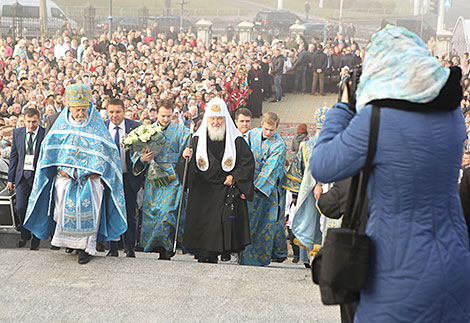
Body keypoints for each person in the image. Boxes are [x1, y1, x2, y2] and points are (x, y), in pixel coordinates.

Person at [309, 26, 470, 322]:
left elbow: (322, 164)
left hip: (396, 268)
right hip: (455, 257)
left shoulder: (377, 119)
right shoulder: (452, 115)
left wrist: (344, 108)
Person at [24, 84, 127, 265]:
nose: (81, 112)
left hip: (91, 181)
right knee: (64, 208)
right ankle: (70, 244)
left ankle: (86, 248)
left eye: (84, 109)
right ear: (69, 107)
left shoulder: (97, 128)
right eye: (77, 109)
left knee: (90, 210)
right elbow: (48, 154)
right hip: (65, 180)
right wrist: (59, 169)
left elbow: (109, 155)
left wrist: (98, 170)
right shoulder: (59, 128)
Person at [183, 98, 255, 263]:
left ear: (225, 119)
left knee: (221, 222)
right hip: (203, 191)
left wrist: (235, 176)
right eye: (213, 118)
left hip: (224, 188)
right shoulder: (196, 140)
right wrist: (185, 158)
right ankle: (203, 253)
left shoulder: (236, 140)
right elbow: (188, 169)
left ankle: (220, 252)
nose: (216, 122)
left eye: (219, 118)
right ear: (207, 119)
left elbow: (247, 163)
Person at [132, 99, 190, 260]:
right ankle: (154, 246)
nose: (165, 119)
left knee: (168, 212)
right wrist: (143, 158)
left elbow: (189, 145)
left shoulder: (181, 131)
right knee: (153, 212)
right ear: (156, 114)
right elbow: (136, 154)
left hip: (172, 177)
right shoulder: (147, 130)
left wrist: (186, 153)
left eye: (169, 116)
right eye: (163, 116)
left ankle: (167, 247)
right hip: (153, 177)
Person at [283, 107, 330, 268]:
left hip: (331, 192)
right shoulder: (306, 146)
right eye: (320, 128)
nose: (323, 131)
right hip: (309, 195)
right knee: (309, 222)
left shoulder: (337, 144)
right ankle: (307, 258)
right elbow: (297, 169)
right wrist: (296, 194)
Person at [239, 112, 287, 266]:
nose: (268, 133)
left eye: (271, 130)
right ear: (261, 125)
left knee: (264, 223)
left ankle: (261, 258)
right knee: (247, 222)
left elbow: (270, 169)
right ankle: (244, 257)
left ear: (276, 128)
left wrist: (255, 187)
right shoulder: (251, 135)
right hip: (247, 184)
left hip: (267, 190)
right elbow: (242, 156)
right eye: (266, 129)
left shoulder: (279, 144)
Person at [105, 98, 143, 258]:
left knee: (130, 211)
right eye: (111, 112)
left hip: (129, 177)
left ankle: (129, 247)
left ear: (124, 111)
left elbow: (141, 153)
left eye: (118, 112)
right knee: (111, 211)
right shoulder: (101, 128)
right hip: (109, 177)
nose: (115, 115)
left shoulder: (135, 128)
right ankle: (112, 247)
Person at [7, 108, 45, 250]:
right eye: (28, 122)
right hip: (22, 176)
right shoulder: (18, 133)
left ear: (39, 120)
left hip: (38, 177)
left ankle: (36, 238)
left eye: (34, 122)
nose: (31, 125)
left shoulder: (44, 133)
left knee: (37, 208)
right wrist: (11, 179)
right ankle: (25, 233)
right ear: (24, 120)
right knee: (21, 206)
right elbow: (14, 157)